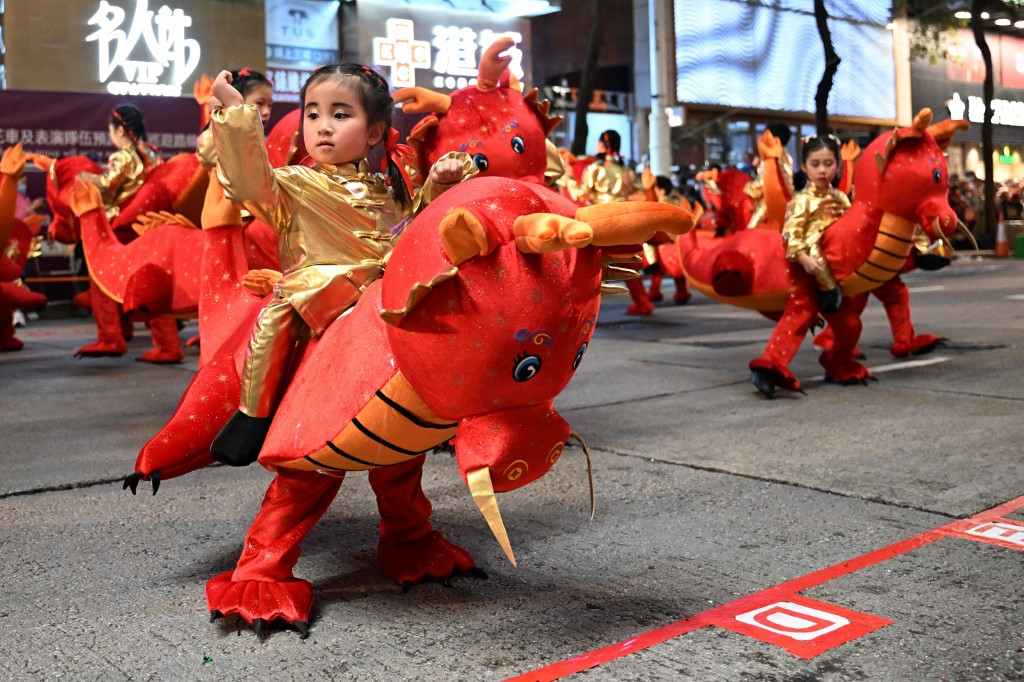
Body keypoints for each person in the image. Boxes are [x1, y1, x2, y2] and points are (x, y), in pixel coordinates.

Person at [208, 64, 464, 466]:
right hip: (321, 296)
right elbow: (245, 183)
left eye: (340, 115)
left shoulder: (390, 188)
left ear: (375, 132)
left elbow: (416, 230)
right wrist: (237, 114)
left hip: (386, 294)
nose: (323, 126)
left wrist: (439, 186)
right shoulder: (292, 183)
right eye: (313, 114)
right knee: (278, 313)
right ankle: (252, 415)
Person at [782, 135, 849, 313]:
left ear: (837, 165)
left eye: (828, 164)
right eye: (815, 164)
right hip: (813, 253)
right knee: (814, 248)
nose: (822, 170)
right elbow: (791, 233)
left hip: (842, 252)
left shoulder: (841, 197)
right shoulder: (802, 200)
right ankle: (828, 290)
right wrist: (803, 258)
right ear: (804, 166)